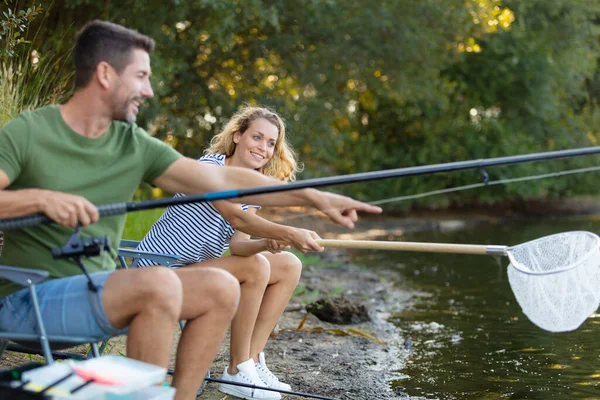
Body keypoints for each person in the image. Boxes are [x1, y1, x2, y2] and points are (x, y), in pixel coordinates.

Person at [0, 20, 381, 400]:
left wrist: (314, 196)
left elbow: (222, 183)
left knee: (220, 287)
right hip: (28, 299)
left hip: (100, 292)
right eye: (141, 76)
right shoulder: (29, 132)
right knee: (162, 281)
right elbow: (229, 203)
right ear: (105, 74)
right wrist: (40, 199)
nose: (149, 90)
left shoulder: (134, 145)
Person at [136, 105, 322, 399]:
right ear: (237, 136)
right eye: (257, 137)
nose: (263, 148)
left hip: (192, 270)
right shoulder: (211, 168)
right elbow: (236, 218)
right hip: (160, 271)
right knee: (257, 268)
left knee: (287, 264)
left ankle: (253, 360)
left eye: (271, 143)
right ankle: (235, 372)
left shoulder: (251, 189)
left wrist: (265, 243)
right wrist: (287, 232)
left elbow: (237, 244)